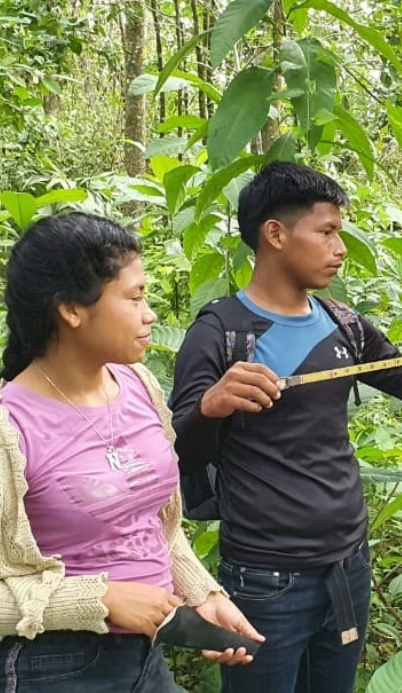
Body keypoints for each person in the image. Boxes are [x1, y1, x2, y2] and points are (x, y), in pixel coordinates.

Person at [168, 162, 402, 693]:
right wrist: (212, 407)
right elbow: (178, 454)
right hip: (266, 580)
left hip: (349, 566)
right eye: (327, 231)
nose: (339, 248)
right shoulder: (221, 334)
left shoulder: (341, 322)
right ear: (276, 234)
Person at [0, 213, 260, 691]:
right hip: (52, 666)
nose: (150, 315)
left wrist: (200, 592)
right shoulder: (9, 427)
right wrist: (98, 599)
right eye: (135, 297)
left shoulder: (137, 385)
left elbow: (152, 521)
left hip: (143, 657)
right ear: (71, 310)